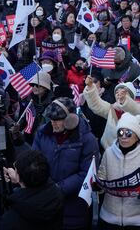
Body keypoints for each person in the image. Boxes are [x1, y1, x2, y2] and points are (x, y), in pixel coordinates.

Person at [32, 97, 99, 230]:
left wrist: (58, 189)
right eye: (51, 120)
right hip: (46, 203)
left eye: (57, 120)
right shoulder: (42, 133)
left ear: (71, 119)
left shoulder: (88, 140)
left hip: (73, 207)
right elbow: (34, 160)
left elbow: (86, 173)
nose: (53, 124)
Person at [97, 113, 140, 229]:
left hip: (139, 221)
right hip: (109, 217)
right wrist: (97, 186)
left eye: (129, 133)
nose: (124, 137)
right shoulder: (108, 153)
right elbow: (101, 178)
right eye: (120, 132)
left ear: (137, 136)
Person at [0, 150, 64, 230]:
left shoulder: (10, 220)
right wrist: (19, 179)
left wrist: (19, 180)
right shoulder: (57, 197)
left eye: (15, 168)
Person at [82, 78, 140, 149]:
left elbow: (138, 112)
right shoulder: (112, 108)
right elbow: (96, 104)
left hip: (132, 151)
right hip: (109, 150)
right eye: (117, 92)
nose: (119, 94)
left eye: (124, 92)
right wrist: (90, 87)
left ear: (131, 96)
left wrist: (124, 101)